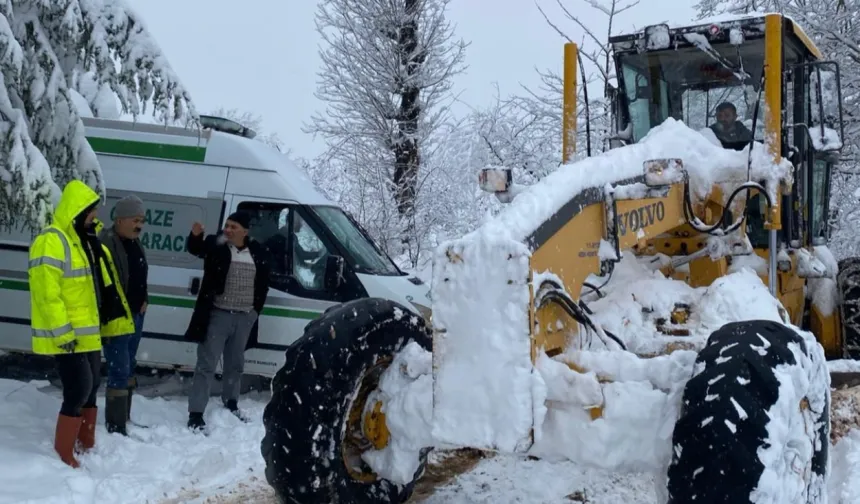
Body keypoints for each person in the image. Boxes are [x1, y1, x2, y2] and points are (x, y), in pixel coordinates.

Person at [28, 180, 134, 468]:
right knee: (78, 388)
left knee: (91, 386)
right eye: (91, 213)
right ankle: (64, 453)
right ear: (77, 211)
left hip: (87, 333)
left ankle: (85, 443)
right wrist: (62, 332)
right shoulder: (53, 240)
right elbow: (47, 293)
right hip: (68, 334)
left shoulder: (84, 242)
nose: (95, 218)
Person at [184, 211, 271, 432]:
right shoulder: (217, 244)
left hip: (244, 317)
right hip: (218, 315)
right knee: (207, 364)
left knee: (235, 364)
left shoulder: (257, 251)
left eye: (233, 226)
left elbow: (263, 283)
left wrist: (255, 311)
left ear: (245, 230)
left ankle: (231, 402)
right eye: (227, 225)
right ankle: (196, 413)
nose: (228, 230)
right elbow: (196, 249)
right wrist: (195, 236)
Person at [98, 195, 149, 435]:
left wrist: (144, 298)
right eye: (135, 219)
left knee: (129, 366)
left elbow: (139, 274)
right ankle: (115, 425)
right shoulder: (106, 243)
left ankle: (124, 418)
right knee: (119, 369)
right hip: (118, 318)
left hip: (135, 316)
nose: (140, 225)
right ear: (120, 219)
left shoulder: (135, 242)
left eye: (142, 220)